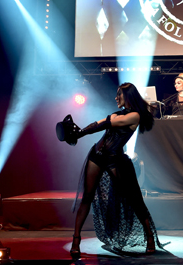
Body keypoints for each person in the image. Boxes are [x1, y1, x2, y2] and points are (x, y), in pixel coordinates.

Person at [58, 82, 163, 259]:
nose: (116, 97)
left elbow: (108, 123)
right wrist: (79, 132)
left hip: (115, 160)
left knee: (133, 198)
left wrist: (81, 132)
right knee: (87, 197)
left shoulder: (134, 116)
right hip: (97, 156)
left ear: (128, 96)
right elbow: (101, 122)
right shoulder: (118, 113)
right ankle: (76, 240)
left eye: (119, 94)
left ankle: (150, 237)